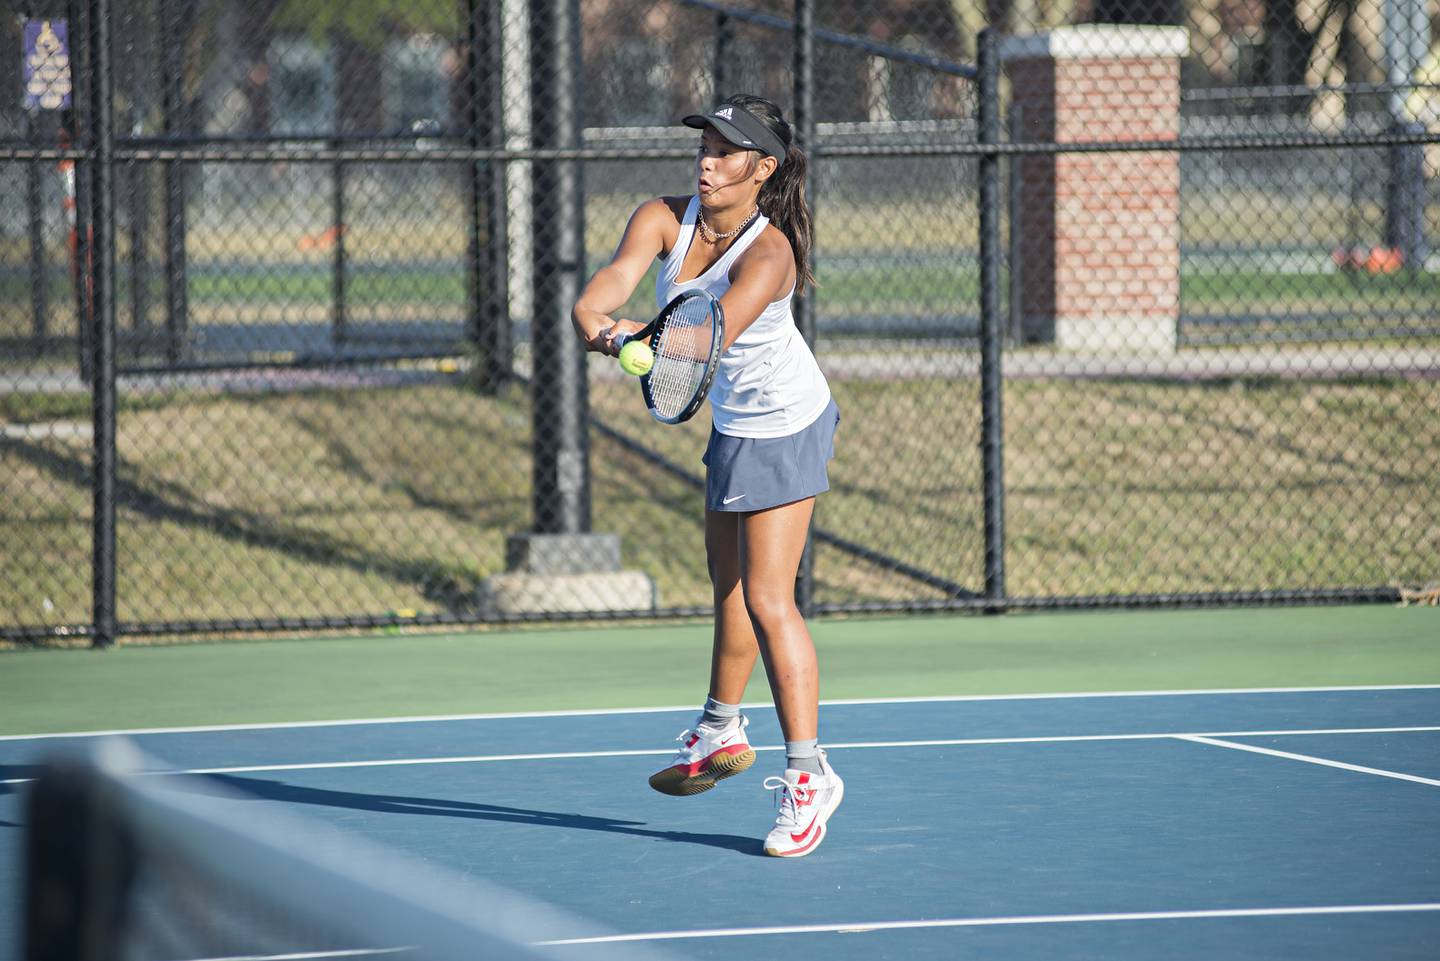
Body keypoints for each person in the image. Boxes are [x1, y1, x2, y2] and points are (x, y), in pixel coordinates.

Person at [570, 94, 843, 858]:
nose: (708, 160)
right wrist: (598, 324)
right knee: (725, 585)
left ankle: (809, 774)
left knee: (767, 597)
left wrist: (645, 339)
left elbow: (710, 331)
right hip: (732, 421)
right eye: (705, 144)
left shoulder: (771, 252)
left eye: (727, 151)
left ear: (763, 169)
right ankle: (722, 726)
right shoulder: (663, 216)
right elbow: (602, 289)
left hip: (785, 423)